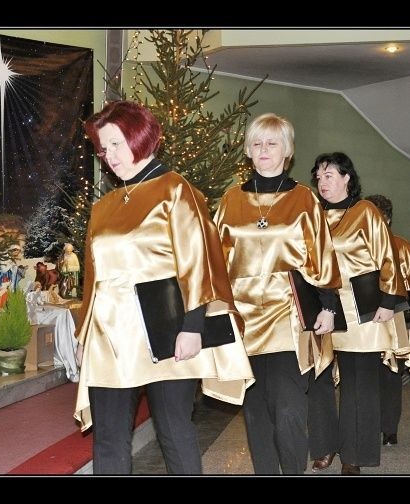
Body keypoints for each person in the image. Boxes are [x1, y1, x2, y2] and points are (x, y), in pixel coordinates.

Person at [75, 100, 253, 474]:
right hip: (109, 334)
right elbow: (93, 277)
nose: (109, 156)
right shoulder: (104, 206)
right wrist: (83, 335)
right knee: (108, 437)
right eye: (103, 148)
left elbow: (198, 261)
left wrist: (193, 326)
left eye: (116, 144)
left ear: (140, 137)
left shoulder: (175, 189)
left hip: (166, 328)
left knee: (173, 430)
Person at [214, 113, 341, 475]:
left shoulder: (304, 198)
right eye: (256, 143)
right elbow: (215, 260)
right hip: (243, 318)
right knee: (256, 411)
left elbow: (322, 253)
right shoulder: (231, 199)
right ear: (248, 150)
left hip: (289, 316)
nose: (264, 149)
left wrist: (329, 305)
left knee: (288, 409)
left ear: (287, 150)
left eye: (272, 143)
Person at [307, 154, 408, 475]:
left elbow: (387, 256)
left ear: (347, 178)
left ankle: (354, 454)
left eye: (329, 175)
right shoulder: (312, 215)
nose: (322, 182)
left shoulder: (365, 211)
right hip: (320, 309)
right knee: (318, 380)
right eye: (318, 177)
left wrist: (388, 301)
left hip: (360, 310)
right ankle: (324, 446)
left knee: (358, 385)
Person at [365, 194, 410, 448]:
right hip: (364, 320)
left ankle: (389, 429)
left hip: (397, 318)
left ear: (388, 220)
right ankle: (368, 425)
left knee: (393, 374)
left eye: (378, 217)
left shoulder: (402, 246)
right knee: (366, 375)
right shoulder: (357, 245)